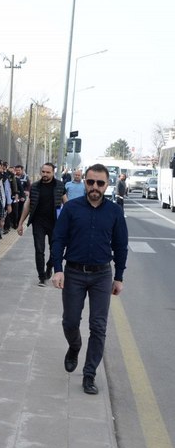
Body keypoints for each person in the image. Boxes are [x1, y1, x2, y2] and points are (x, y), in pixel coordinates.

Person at [50, 164, 128, 395]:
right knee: (70, 322)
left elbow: (121, 246)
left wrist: (119, 277)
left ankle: (89, 374)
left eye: (100, 183)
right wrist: (58, 269)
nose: (95, 187)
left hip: (102, 275)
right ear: (84, 182)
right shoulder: (71, 208)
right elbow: (58, 239)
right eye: (91, 182)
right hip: (73, 273)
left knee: (98, 326)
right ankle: (74, 346)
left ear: (107, 185)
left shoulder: (114, 212)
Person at [17, 163, 65, 286]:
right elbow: (28, 205)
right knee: (39, 249)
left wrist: (70, 223)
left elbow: (67, 203)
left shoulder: (60, 185)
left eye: (48, 172)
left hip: (55, 223)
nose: (45, 174)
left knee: (55, 250)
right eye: (43, 172)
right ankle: (41, 276)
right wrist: (20, 223)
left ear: (53, 172)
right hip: (38, 222)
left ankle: (49, 266)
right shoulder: (35, 186)